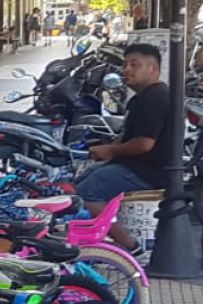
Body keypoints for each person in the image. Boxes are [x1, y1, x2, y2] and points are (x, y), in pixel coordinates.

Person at [75, 43, 177, 250]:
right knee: (80, 180)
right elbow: (126, 136)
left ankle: (129, 246)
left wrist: (111, 150)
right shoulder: (140, 99)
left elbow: (144, 144)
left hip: (147, 171)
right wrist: (107, 149)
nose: (127, 70)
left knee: (88, 192)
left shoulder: (156, 98)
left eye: (134, 64)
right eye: (125, 65)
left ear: (153, 69)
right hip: (132, 165)